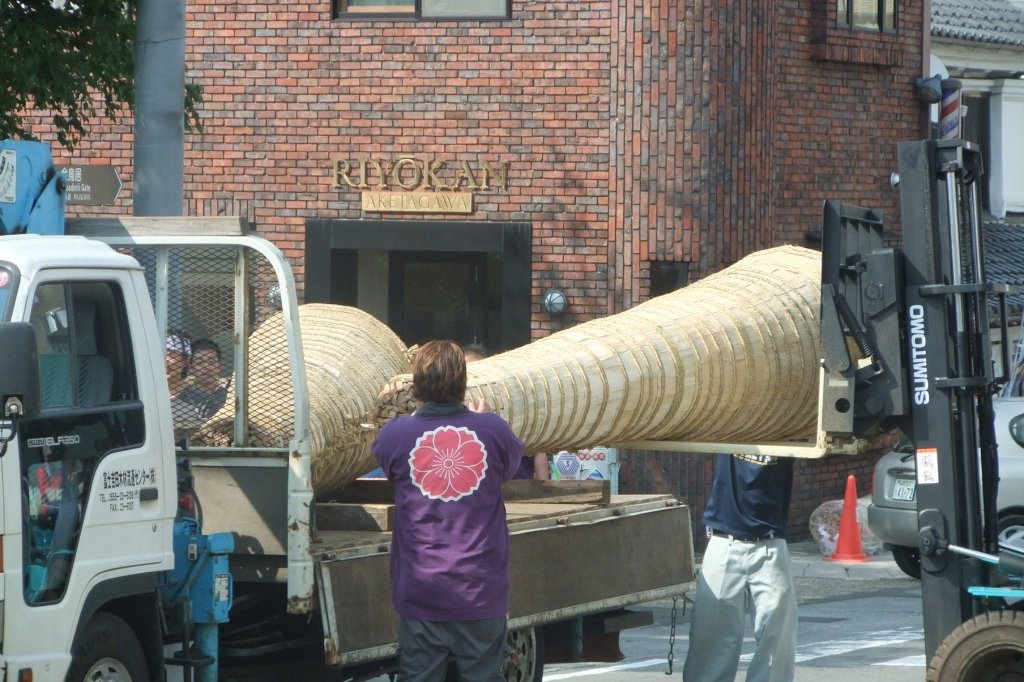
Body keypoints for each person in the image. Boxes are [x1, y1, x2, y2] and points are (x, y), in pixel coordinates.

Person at [372, 340, 525, 681]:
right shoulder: (493, 430)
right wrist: (482, 421)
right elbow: (509, 467)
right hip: (481, 590)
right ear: (463, 382)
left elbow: (388, 462)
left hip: (421, 589)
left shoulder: (395, 435)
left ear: (416, 385)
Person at [682, 453, 796, 682]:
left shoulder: (786, 425)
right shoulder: (731, 424)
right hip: (724, 541)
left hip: (770, 544)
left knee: (776, 641)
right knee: (710, 640)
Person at [461, 342, 549, 481]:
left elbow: (538, 448)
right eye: (468, 371)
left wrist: (544, 489)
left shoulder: (512, 405)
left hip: (522, 489)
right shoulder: (456, 413)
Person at [182, 338, 229, 418]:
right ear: (191, 368)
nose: (206, 366)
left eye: (211, 362)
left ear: (220, 366)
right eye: (200, 362)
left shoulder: (229, 393)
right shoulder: (184, 397)